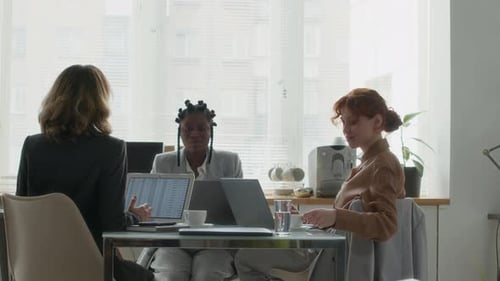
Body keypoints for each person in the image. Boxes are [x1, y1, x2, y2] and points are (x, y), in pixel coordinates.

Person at [234, 88, 406, 280]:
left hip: (331, 256)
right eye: (344, 122)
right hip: (329, 249)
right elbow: (344, 223)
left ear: (377, 122)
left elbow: (387, 225)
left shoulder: (383, 165)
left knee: (245, 257)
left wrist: (334, 216)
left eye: (353, 122)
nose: (346, 129)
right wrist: (305, 220)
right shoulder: (368, 164)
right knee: (250, 253)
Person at [16, 64, 154, 281]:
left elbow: (21, 208)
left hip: (35, 267)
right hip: (90, 266)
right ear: (100, 102)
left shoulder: (32, 146)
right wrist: (135, 216)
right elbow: (112, 225)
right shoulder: (111, 149)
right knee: (146, 276)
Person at [146, 99, 243, 281]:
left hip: (215, 244)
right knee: (172, 275)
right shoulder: (162, 162)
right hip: (173, 243)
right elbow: (151, 209)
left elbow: (239, 210)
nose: (195, 134)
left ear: (210, 131)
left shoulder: (230, 161)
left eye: (202, 128)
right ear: (180, 132)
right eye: (188, 129)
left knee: (208, 275)